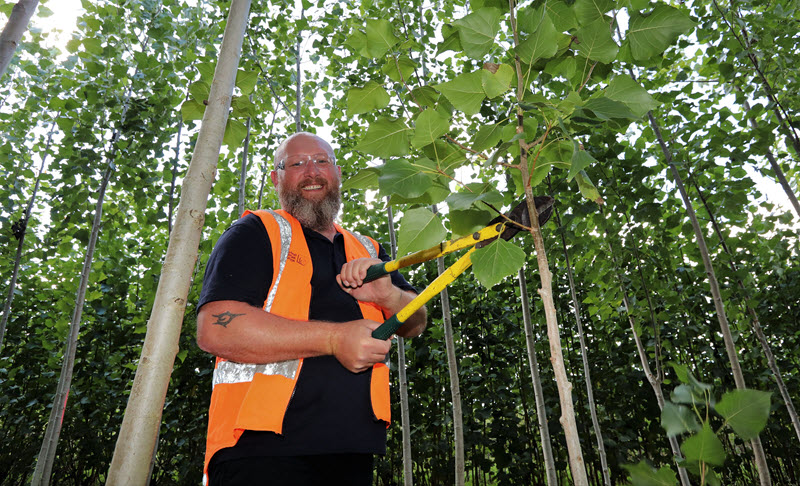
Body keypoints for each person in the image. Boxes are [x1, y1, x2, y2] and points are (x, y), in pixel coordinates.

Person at [196, 132, 427, 485]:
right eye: (297, 163)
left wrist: (389, 298)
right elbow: (215, 327)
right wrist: (335, 339)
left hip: (353, 450)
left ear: (336, 172)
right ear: (276, 178)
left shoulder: (366, 247)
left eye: (321, 161)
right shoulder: (256, 231)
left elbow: (416, 322)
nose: (312, 171)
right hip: (259, 450)